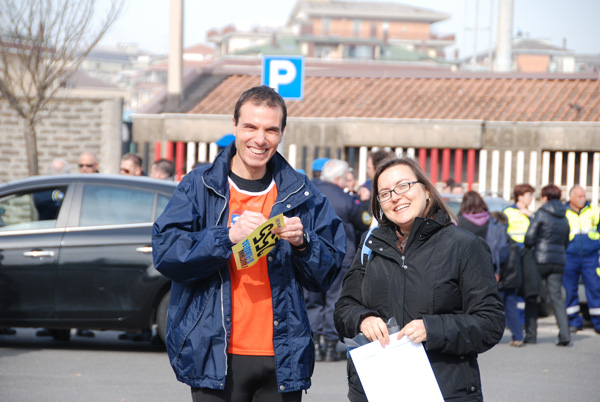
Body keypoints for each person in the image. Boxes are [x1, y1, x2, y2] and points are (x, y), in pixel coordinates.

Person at [152, 85, 346, 401]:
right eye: (251, 127)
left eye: (271, 129)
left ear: (282, 133)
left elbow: (326, 274)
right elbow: (166, 253)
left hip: (282, 357)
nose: (260, 139)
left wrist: (304, 243)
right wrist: (225, 237)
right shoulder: (199, 185)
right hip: (215, 354)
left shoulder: (302, 192)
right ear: (234, 126)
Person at [334, 156, 504, 402]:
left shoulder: (465, 246)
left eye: (403, 186)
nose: (395, 197)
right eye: (385, 193)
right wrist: (362, 319)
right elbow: (343, 309)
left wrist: (432, 328)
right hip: (376, 388)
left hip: (444, 390)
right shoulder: (370, 245)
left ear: (426, 190)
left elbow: (490, 323)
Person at [307, 159, 372, 362]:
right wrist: (363, 203)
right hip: (340, 258)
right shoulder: (346, 199)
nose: (347, 182)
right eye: (345, 178)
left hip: (310, 255)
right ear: (337, 178)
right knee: (334, 300)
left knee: (313, 301)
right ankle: (331, 345)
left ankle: (315, 344)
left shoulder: (308, 194)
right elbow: (364, 222)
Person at [458, 191, 522, 346]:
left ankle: (471, 335)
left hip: (468, 269)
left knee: (469, 303)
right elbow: (500, 247)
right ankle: (518, 336)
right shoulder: (492, 221)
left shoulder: (459, 222)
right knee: (507, 304)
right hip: (493, 267)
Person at [523, 184, 571, 346]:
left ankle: (531, 336)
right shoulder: (564, 216)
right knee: (557, 298)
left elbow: (529, 238)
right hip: (559, 261)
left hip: (540, 260)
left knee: (532, 296)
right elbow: (566, 241)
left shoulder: (541, 214)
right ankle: (565, 335)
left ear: (545, 198)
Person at [563, 185, 600, 334]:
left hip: (591, 256)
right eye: (579, 196)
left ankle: (597, 322)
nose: (583, 199)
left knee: (594, 288)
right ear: (570, 197)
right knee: (570, 289)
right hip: (569, 256)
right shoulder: (563, 212)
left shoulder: (594, 211)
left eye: (584, 196)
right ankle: (573, 321)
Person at [503, 183, 536, 341]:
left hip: (528, 253)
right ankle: (515, 322)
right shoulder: (509, 212)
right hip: (513, 253)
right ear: (520, 196)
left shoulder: (531, 214)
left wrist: (531, 216)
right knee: (514, 288)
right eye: (528, 195)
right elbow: (504, 232)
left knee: (525, 288)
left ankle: (520, 321)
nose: (531, 198)